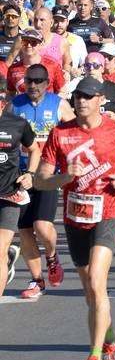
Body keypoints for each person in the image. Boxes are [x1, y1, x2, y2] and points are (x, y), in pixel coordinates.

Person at [35, 75, 115, 360]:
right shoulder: (61, 134)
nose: (82, 101)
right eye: (77, 97)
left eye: (88, 96)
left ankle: (94, 357)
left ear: (100, 99)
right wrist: (63, 177)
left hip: (108, 213)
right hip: (75, 218)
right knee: (90, 291)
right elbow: (40, 179)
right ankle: (113, 340)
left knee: (99, 283)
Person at [11, 64, 75, 299]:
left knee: (42, 227)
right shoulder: (14, 105)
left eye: (38, 81)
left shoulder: (58, 104)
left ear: (47, 83)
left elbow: (74, 133)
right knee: (25, 230)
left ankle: (51, 256)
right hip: (20, 174)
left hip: (48, 174)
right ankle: (36, 280)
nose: (33, 85)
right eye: (29, 80)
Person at [0, 79, 40, 299]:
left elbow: (35, 150)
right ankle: (7, 260)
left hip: (9, 194)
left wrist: (30, 174)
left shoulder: (16, 124)